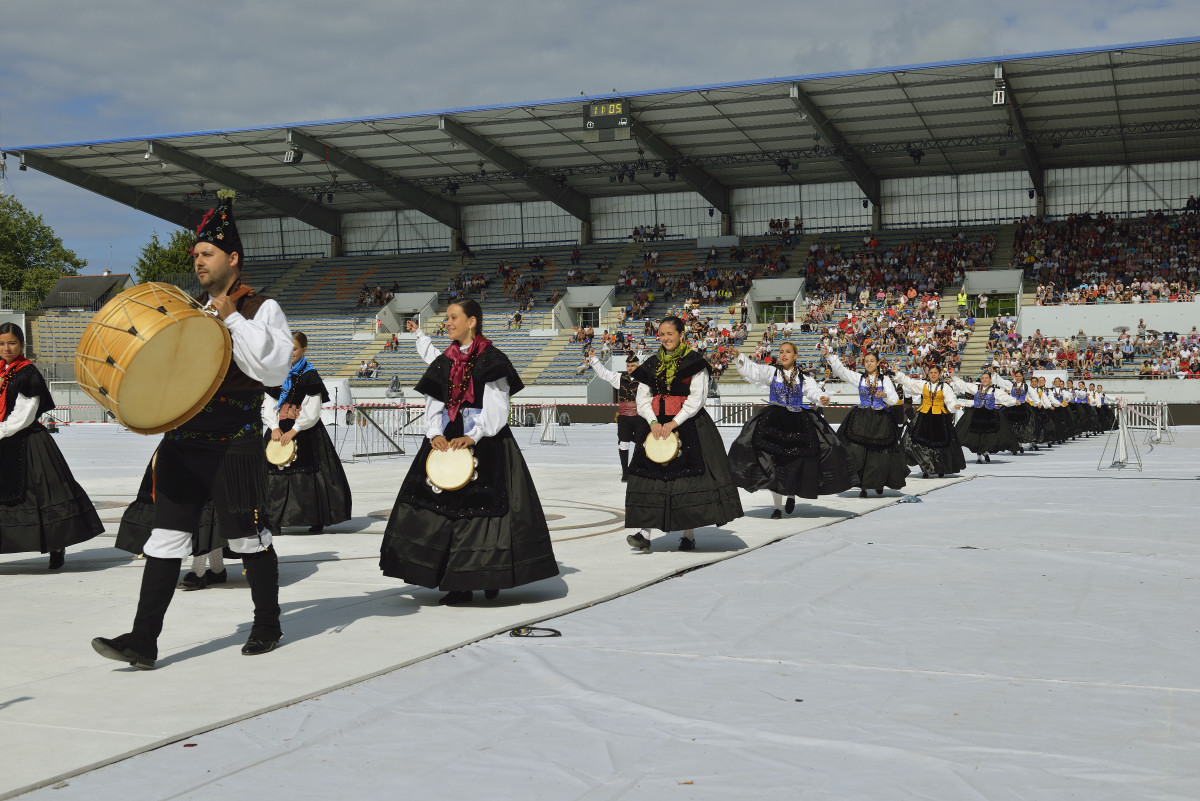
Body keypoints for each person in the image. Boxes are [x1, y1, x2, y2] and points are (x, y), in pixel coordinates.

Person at [94, 191, 292, 669]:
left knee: (246, 538)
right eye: (196, 255)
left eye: (207, 254)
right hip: (183, 443)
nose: (198, 261)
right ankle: (143, 641)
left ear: (233, 259)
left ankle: (267, 623)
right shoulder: (186, 310)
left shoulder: (262, 309)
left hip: (235, 444)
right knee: (165, 540)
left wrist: (229, 318)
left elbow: (272, 369)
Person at [380, 299, 558, 604]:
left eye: (453, 317)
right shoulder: (445, 360)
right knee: (442, 506)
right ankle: (457, 583)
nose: (447, 323)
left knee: (484, 508)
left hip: (486, 442)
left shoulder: (492, 359)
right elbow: (435, 404)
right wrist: (434, 433)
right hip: (447, 439)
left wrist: (475, 435)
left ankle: (489, 575)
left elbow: (498, 408)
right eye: (447, 318)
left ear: (471, 321)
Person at [624, 317, 743, 552]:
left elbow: (697, 399)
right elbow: (643, 398)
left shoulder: (695, 363)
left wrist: (674, 423)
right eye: (662, 334)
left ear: (681, 334)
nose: (666, 338)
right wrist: (654, 422)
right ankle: (644, 533)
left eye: (670, 333)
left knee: (687, 480)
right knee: (650, 478)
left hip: (688, 426)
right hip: (656, 427)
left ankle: (688, 535)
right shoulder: (652, 363)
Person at [0, 323, 103, 569]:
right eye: (2, 343)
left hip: (27, 442)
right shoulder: (2, 371)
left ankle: (57, 545)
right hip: (4, 440)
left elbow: (23, 415)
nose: (7, 348)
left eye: (12, 343)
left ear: (22, 345)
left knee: (42, 495)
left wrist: (1, 431)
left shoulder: (28, 373)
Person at [726, 343, 853, 517]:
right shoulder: (772, 372)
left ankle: (791, 494)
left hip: (797, 421)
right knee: (772, 460)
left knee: (797, 459)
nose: (784, 355)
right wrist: (739, 356)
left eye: (788, 352)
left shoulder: (804, 377)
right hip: (774, 420)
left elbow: (813, 392)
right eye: (781, 352)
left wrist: (822, 398)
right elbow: (754, 370)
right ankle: (777, 507)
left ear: (795, 356)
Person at [262, 332, 352, 535]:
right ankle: (273, 519)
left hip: (305, 430)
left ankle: (315, 518)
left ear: (304, 349)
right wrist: (274, 427)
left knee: (311, 474)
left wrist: (295, 430)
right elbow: (269, 405)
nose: (289, 353)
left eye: (293, 349)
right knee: (273, 473)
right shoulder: (276, 374)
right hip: (278, 429)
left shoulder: (310, 375)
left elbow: (312, 409)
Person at [823, 348, 908, 497]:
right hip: (861, 417)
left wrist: (884, 394)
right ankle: (863, 485)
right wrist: (830, 357)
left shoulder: (884, 380)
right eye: (866, 361)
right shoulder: (859, 378)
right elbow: (842, 372)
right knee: (858, 451)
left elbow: (894, 399)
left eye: (872, 361)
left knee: (879, 454)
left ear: (878, 363)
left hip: (880, 418)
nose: (868, 364)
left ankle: (879, 482)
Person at [893, 363, 966, 478]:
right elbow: (909, 382)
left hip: (940, 417)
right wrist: (898, 373)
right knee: (919, 443)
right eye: (931, 372)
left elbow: (950, 400)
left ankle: (941, 468)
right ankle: (926, 468)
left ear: (939, 374)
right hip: (924, 416)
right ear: (928, 374)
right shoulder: (924, 384)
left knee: (941, 445)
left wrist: (954, 406)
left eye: (935, 373)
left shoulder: (945, 387)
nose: (933, 375)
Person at [587, 350, 641, 481]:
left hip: (640, 417)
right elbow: (604, 373)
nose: (630, 368)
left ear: (638, 366)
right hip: (624, 417)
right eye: (628, 366)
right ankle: (625, 472)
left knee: (642, 444)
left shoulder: (645, 380)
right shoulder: (619, 378)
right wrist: (593, 358)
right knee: (623, 443)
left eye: (632, 366)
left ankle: (638, 468)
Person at [950, 373, 1020, 464]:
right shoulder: (976, 388)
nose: (984, 380)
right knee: (975, 437)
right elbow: (964, 386)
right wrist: (954, 377)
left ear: (990, 380)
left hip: (990, 416)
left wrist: (1014, 401)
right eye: (983, 378)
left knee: (987, 437)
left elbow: (1004, 397)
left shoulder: (995, 390)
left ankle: (985, 452)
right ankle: (979, 457)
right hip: (976, 415)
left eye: (986, 378)